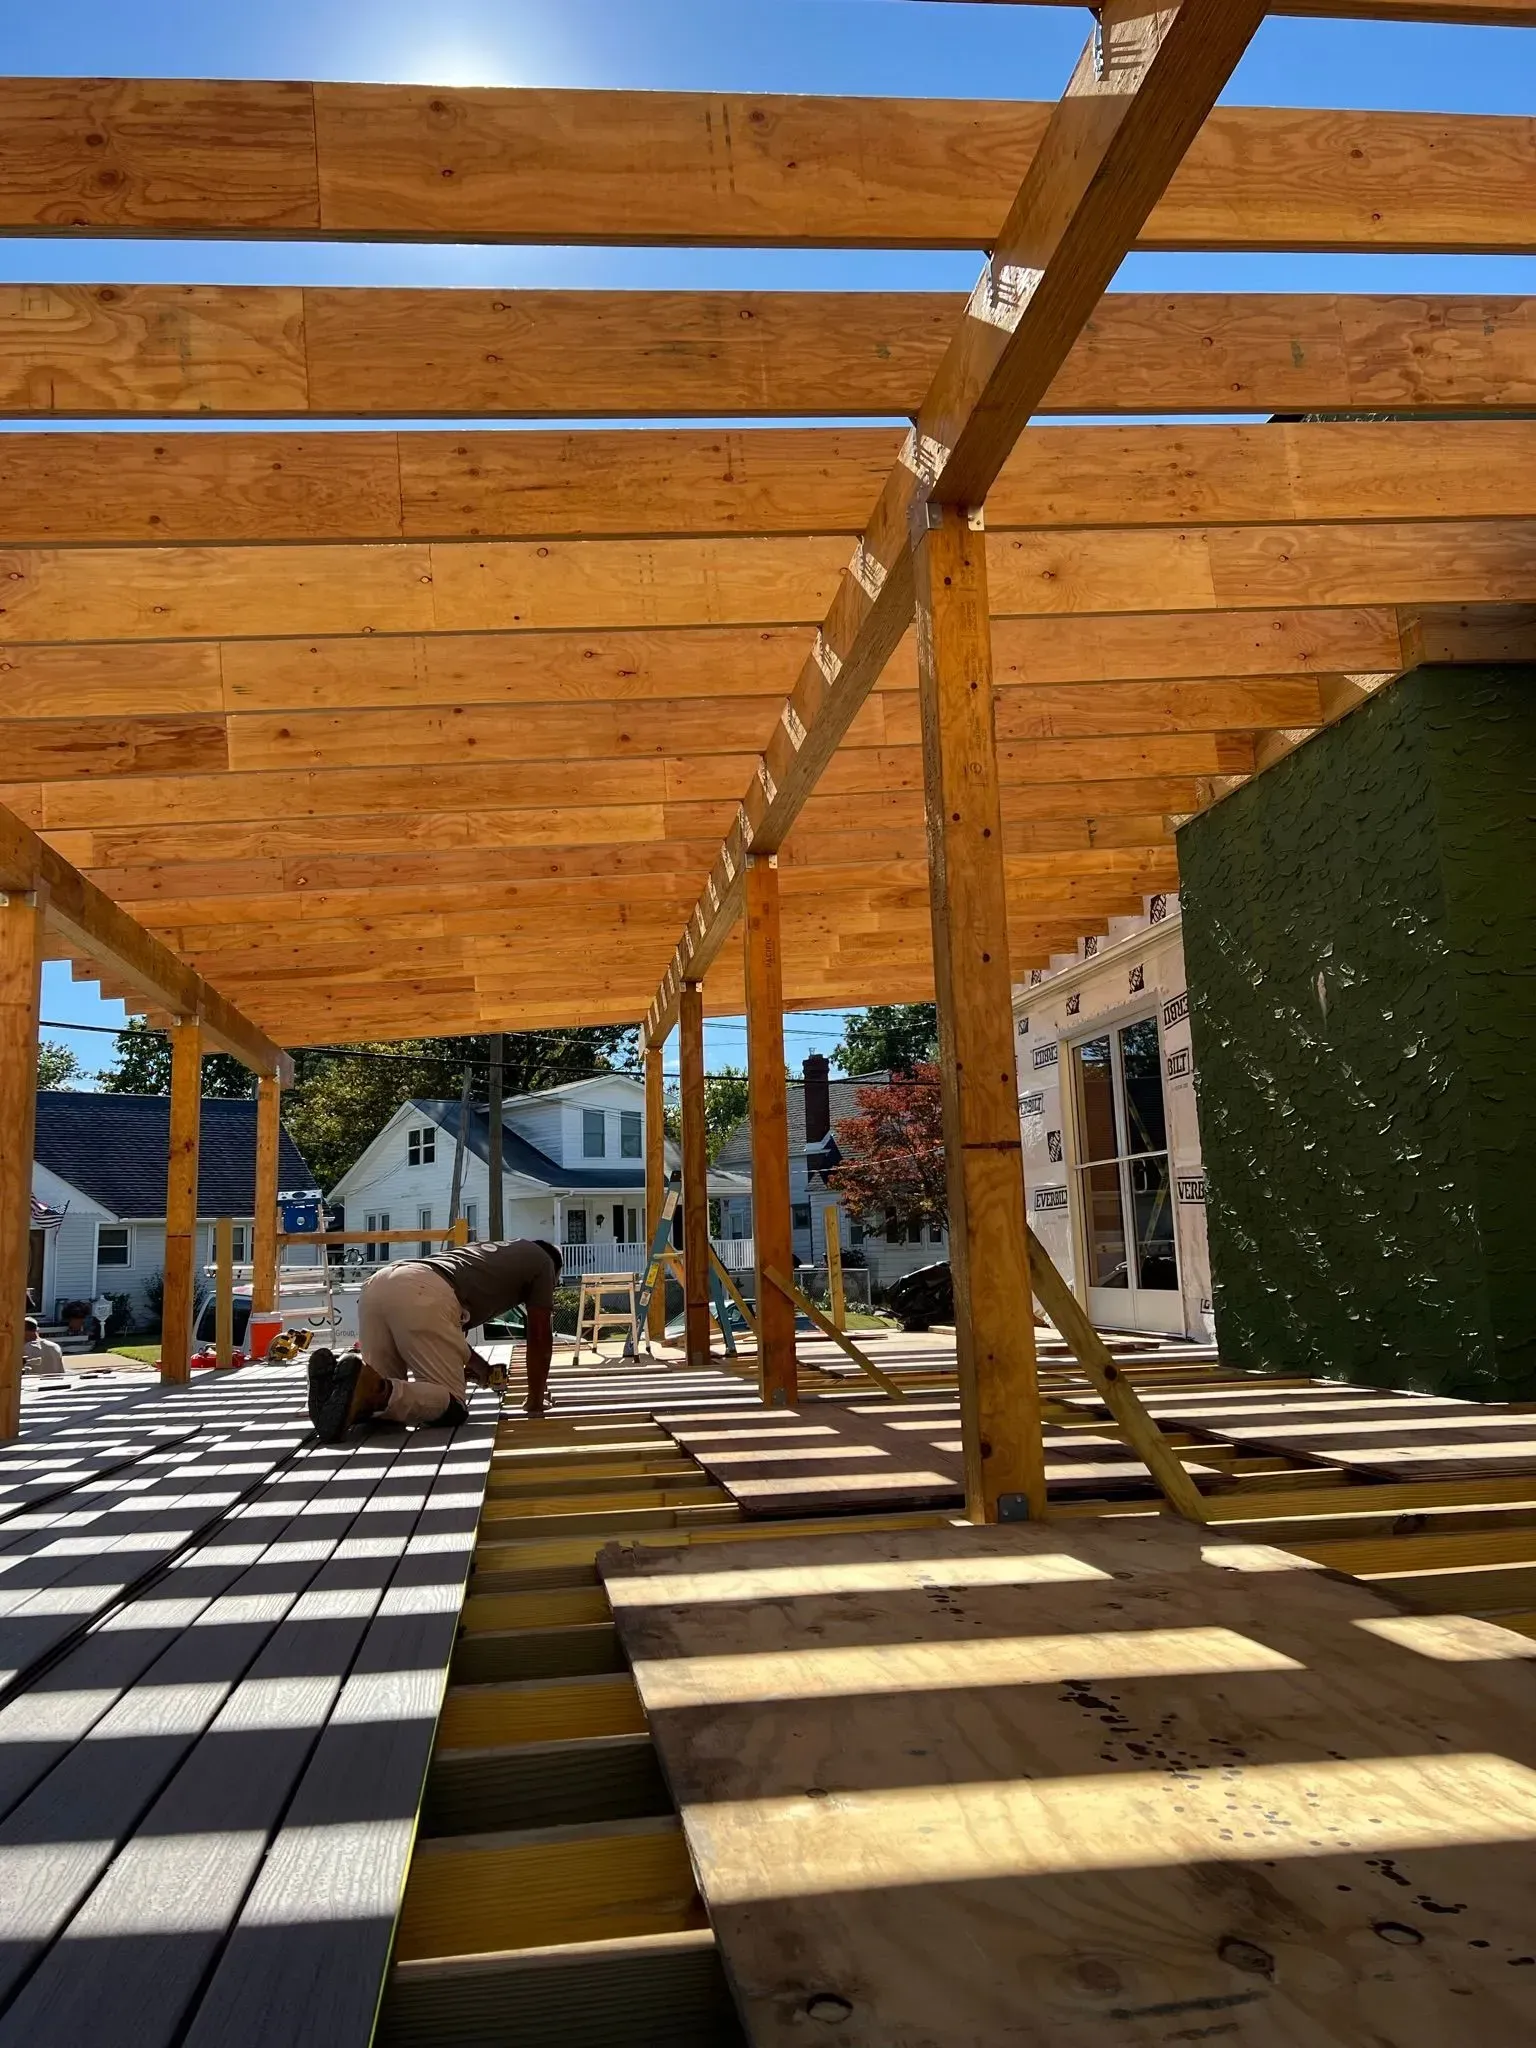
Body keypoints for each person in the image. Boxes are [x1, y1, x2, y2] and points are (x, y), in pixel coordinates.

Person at [307, 1237, 561, 1441]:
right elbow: (539, 1337)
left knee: (382, 1411)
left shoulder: (484, 1258)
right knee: (453, 1406)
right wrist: (535, 1402)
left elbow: (441, 1328)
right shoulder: (543, 1262)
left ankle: (336, 1392)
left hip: (379, 1285)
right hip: (423, 1292)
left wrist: (480, 1368)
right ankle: (375, 1391)